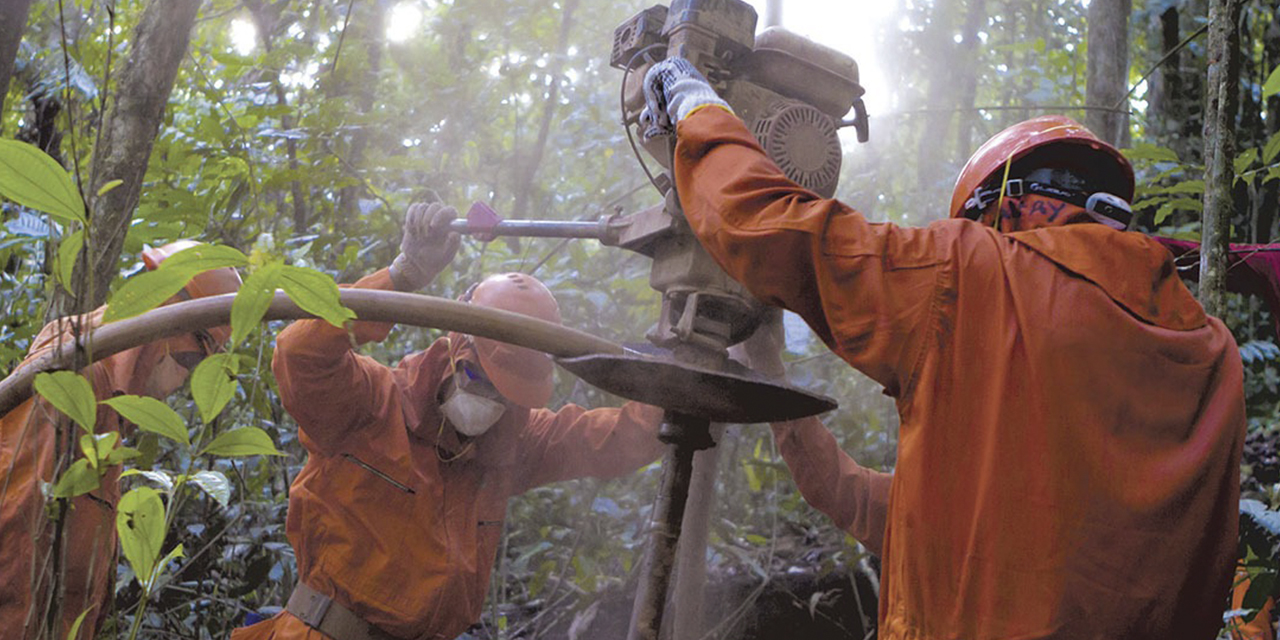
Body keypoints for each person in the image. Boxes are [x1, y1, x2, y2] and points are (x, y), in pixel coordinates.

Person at [642, 58, 1245, 639]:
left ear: (1000, 205)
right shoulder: (1213, 354)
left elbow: (769, 226)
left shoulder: (973, 273)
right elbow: (878, 505)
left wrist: (698, 109)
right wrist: (772, 376)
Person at [234, 202, 664, 640]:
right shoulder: (369, 404)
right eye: (479, 378)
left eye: (505, 393)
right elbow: (298, 352)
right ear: (456, 348)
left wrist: (676, 367)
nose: (489, 400)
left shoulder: (514, 442)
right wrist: (402, 277)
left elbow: (619, 438)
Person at [0, 240, 242, 640]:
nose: (185, 380)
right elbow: (16, 542)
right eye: (193, 359)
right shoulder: (78, 377)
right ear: (165, 312)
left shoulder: (110, 404)